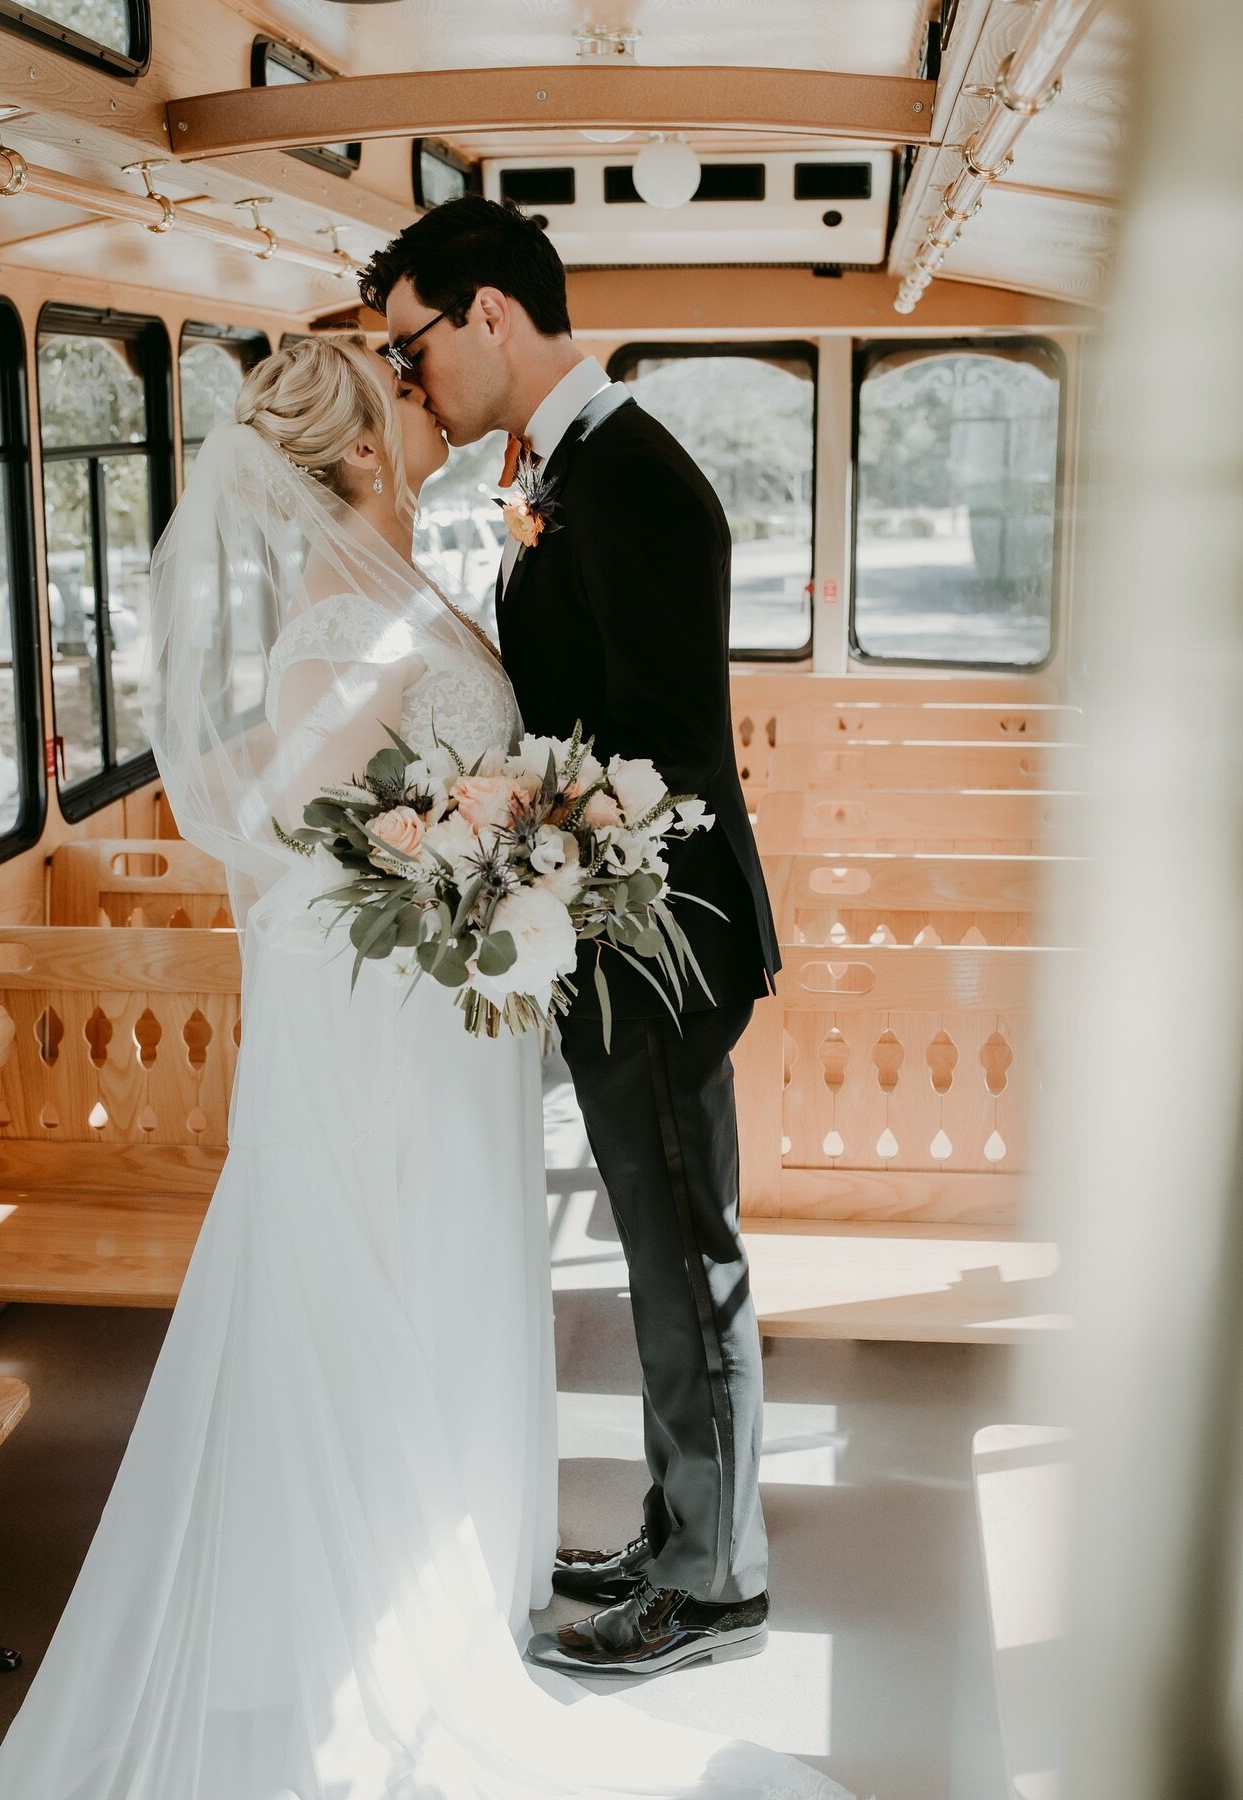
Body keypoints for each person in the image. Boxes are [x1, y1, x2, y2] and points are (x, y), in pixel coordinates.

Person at [0, 335, 846, 1800]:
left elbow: (424, 786)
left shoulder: (403, 584)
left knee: (458, 1285)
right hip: (393, 1035)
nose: (431, 409)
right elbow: (290, 828)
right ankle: (382, 1615)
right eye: (407, 398)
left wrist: (506, 853)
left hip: (450, 1026)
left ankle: (452, 1574)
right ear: (365, 450)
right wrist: (471, 876)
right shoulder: (337, 626)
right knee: (401, 1289)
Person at [360, 195, 784, 1679]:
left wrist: (515, 839)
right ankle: (681, 1526)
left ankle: (716, 1583)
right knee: (656, 1253)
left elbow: (659, 751)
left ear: (486, 313)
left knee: (685, 1260)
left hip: (663, 935)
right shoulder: (565, 473)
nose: (409, 381)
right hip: (613, 934)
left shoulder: (638, 482)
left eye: (412, 346)